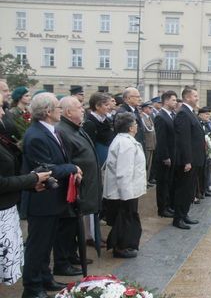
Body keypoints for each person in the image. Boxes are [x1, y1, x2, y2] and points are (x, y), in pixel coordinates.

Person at [21, 93, 83, 298]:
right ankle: (32, 287)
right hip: (41, 201)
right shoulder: (36, 135)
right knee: (37, 246)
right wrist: (72, 167)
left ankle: (45, 278)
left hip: (52, 200)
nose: (60, 110)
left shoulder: (51, 130)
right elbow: (47, 169)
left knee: (46, 244)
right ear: (48, 111)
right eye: (57, 107)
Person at [0, 91, 52, 287]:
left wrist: (30, 184)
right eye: (0, 108)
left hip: (7, 210)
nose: (3, 113)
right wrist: (32, 179)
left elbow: (10, 173)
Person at [54, 96, 102, 271]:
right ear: (68, 112)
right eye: (79, 107)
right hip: (71, 189)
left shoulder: (75, 128)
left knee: (74, 224)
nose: (83, 109)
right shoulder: (63, 131)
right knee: (65, 226)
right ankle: (62, 262)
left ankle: (72, 254)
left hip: (83, 186)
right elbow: (65, 160)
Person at [102, 112, 146, 258]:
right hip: (125, 191)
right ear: (131, 127)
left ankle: (125, 244)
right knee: (125, 219)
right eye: (135, 124)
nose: (137, 126)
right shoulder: (126, 143)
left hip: (128, 189)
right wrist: (126, 194)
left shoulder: (124, 140)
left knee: (127, 218)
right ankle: (121, 247)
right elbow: (123, 171)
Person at [172, 86, 205, 230]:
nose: (197, 98)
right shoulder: (183, 114)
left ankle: (184, 214)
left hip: (194, 158)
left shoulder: (190, 112)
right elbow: (183, 140)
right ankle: (178, 218)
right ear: (187, 98)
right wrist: (187, 161)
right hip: (187, 161)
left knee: (189, 190)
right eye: (195, 96)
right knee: (183, 190)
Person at [154, 91, 177, 218]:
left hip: (172, 154)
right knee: (163, 183)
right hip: (164, 157)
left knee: (168, 182)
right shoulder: (160, 116)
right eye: (173, 100)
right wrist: (165, 157)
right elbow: (161, 139)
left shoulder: (170, 115)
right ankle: (162, 209)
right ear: (166, 101)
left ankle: (168, 206)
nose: (175, 102)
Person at [83, 92, 115, 166]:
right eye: (106, 105)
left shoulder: (106, 120)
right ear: (97, 106)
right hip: (98, 162)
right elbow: (90, 146)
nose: (108, 107)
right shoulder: (90, 123)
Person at [198, 107, 211, 198]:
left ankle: (207, 187)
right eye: (206, 114)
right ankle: (202, 190)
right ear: (200, 114)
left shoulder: (209, 123)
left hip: (209, 150)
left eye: (209, 114)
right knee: (203, 172)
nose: (208, 116)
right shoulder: (199, 123)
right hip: (202, 151)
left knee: (208, 169)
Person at [140, 101, 157, 186]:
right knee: (145, 164)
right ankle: (144, 182)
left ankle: (147, 180)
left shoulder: (148, 117)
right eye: (150, 108)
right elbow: (146, 130)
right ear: (145, 108)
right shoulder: (142, 117)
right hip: (147, 145)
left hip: (151, 144)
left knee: (149, 165)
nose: (151, 109)